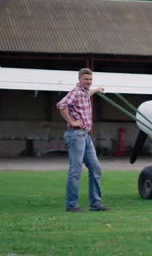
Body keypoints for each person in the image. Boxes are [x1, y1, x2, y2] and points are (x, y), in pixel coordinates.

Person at [57, 68, 110, 212]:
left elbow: (89, 91)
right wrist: (72, 121)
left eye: (90, 79)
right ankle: (71, 205)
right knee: (75, 171)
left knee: (96, 168)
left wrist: (96, 89)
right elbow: (61, 105)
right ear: (80, 79)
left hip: (85, 135)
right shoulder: (75, 92)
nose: (88, 81)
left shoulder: (85, 92)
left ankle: (96, 204)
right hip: (76, 135)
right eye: (86, 79)